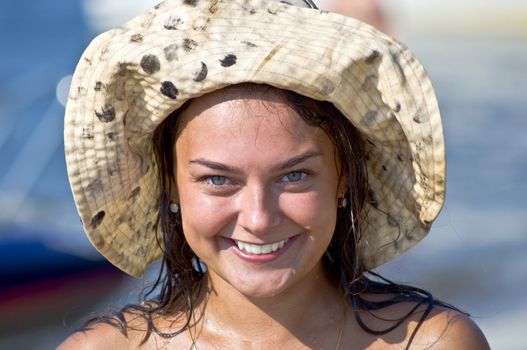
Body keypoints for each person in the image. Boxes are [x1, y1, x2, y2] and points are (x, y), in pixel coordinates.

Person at [59, 0, 489, 348]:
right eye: (217, 179)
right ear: (170, 185)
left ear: (343, 178)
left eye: (294, 176)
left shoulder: (432, 343)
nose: (259, 218)